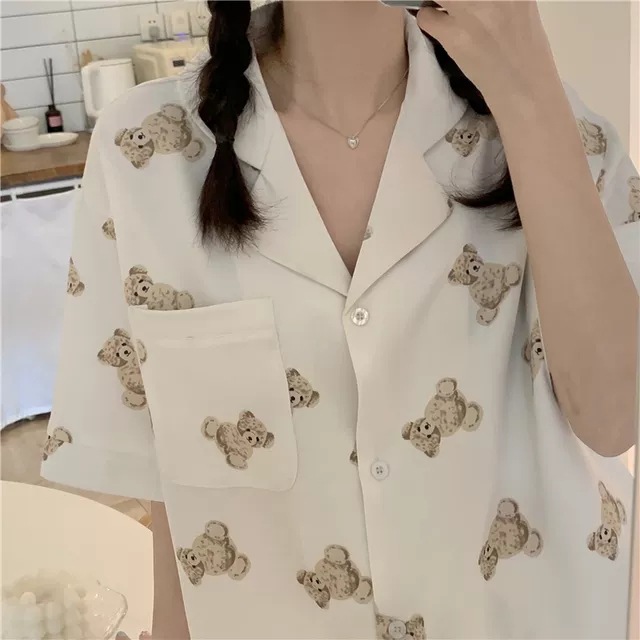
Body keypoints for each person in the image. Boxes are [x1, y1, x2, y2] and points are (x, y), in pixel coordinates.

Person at [42, 1, 639, 639]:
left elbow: (615, 420)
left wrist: (527, 89)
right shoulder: (146, 154)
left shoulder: (563, 130)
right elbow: (171, 492)